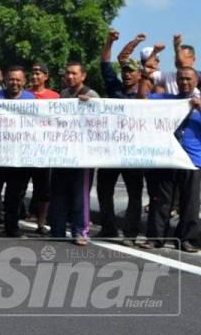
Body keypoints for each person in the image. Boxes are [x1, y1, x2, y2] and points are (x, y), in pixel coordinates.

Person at [138, 67, 201, 253]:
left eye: (188, 79)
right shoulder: (167, 100)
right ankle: (155, 238)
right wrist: (143, 77)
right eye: (181, 79)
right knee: (160, 200)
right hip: (167, 157)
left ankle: (187, 240)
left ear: (196, 81)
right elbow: (141, 100)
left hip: (193, 161)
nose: (184, 82)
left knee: (190, 203)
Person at [95, 30, 146, 245]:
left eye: (131, 72)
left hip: (133, 153)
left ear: (139, 76)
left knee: (135, 195)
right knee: (104, 190)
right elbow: (105, 62)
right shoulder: (114, 88)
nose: (126, 74)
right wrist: (109, 41)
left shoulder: (144, 94)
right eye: (124, 71)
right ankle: (108, 227)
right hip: (111, 150)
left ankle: (130, 233)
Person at [0, 66, 36, 238]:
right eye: (11, 79)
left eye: (18, 80)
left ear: (24, 81)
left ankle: (12, 228)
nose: (15, 83)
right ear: (6, 80)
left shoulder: (31, 99)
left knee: (15, 195)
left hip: (19, 156)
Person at [48, 61, 99, 246]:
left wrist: (91, 105)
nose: (70, 77)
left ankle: (80, 231)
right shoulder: (63, 94)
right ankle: (57, 229)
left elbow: (102, 118)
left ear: (83, 76)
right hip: (63, 152)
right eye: (67, 73)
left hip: (82, 154)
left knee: (80, 194)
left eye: (74, 73)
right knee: (59, 191)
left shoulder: (91, 95)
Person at [25, 62, 58, 234]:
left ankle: (40, 223)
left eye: (39, 73)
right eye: (33, 72)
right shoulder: (23, 95)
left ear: (46, 76)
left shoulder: (55, 97)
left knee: (44, 189)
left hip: (45, 150)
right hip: (24, 147)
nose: (35, 76)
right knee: (20, 185)